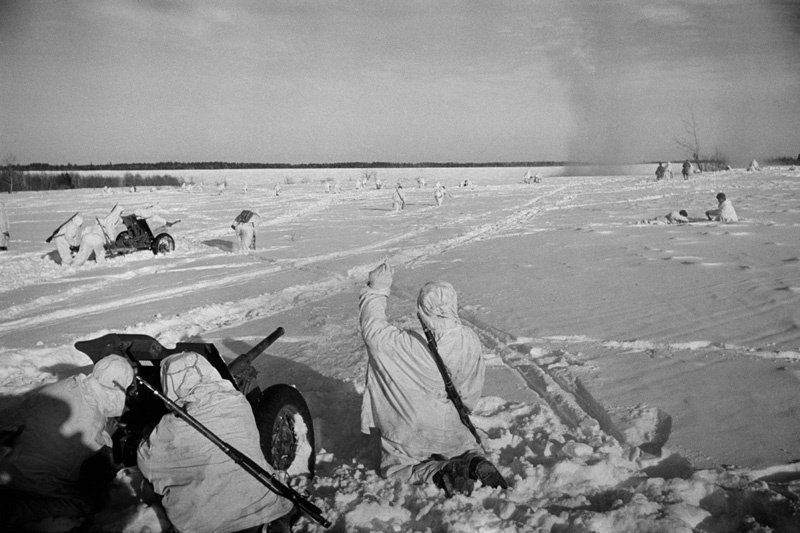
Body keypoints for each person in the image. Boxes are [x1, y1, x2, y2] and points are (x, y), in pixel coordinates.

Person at [358, 263, 506, 495]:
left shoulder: (401, 344)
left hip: (412, 435)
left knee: (396, 469)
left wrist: (377, 288)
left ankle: (439, 472)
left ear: (421, 310)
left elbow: (372, 328)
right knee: (466, 448)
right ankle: (474, 462)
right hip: (455, 428)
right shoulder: (469, 339)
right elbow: (472, 390)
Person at [137, 352, 293, 533]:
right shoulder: (239, 403)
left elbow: (147, 463)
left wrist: (148, 435)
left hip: (206, 526)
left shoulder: (171, 428)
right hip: (265, 510)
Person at [0, 355, 134, 532]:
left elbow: (11, 417)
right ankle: (12, 509)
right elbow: (94, 464)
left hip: (8, 459)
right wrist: (107, 435)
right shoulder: (91, 422)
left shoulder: (67, 385)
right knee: (84, 504)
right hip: (34, 477)